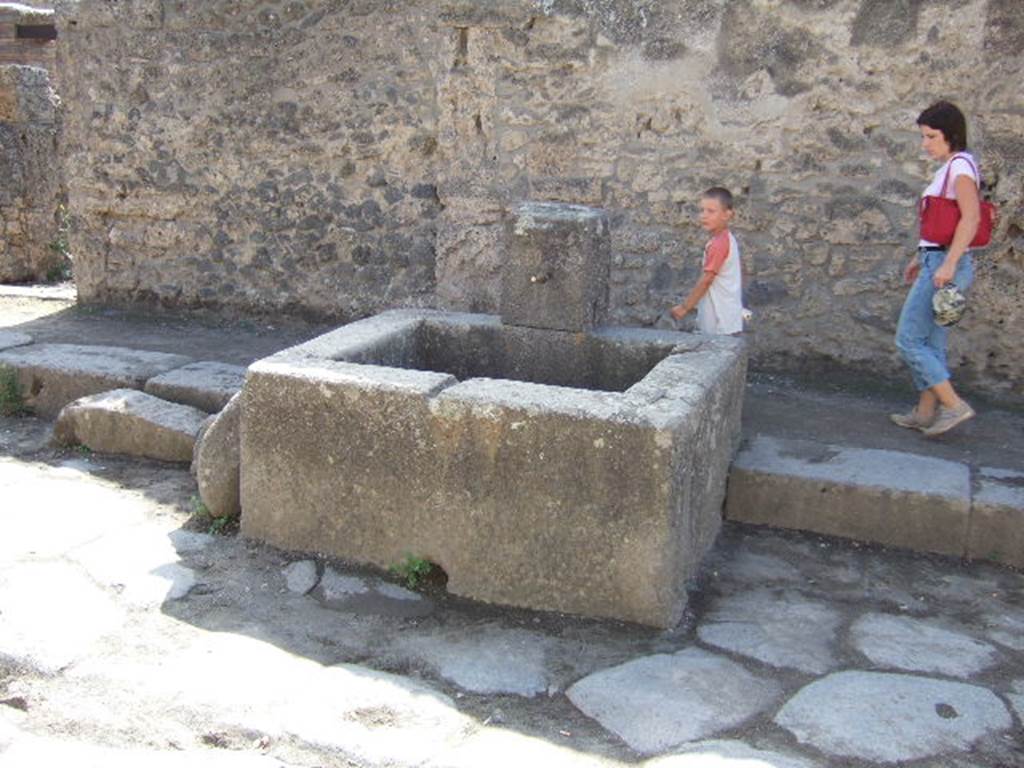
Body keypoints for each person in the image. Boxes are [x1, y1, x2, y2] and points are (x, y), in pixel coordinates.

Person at [892, 100, 980, 437]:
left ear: (950, 135)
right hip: (937, 259)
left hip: (944, 264)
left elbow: (970, 218)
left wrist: (948, 262)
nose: (924, 144)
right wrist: (921, 256)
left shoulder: (960, 167)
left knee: (909, 340)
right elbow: (944, 223)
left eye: (930, 136)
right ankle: (926, 413)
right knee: (931, 342)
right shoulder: (954, 167)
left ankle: (954, 406)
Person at [670, 187, 744, 335]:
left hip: (720, 324)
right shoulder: (725, 239)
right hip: (726, 320)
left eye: (711, 211)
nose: (704, 216)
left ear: (727, 215)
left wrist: (685, 307)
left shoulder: (719, 244)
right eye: (702, 210)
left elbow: (706, 280)